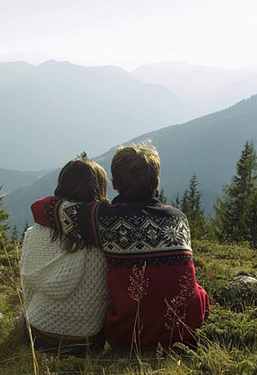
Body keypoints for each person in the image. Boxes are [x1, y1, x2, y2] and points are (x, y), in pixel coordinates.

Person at [31, 144, 209, 354]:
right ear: (156, 182)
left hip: (129, 340)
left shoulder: (105, 219)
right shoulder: (178, 218)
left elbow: (40, 207)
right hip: (184, 336)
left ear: (115, 184)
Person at [20, 158, 110, 356]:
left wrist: (28, 313)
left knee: (23, 316)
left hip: (39, 336)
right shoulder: (104, 237)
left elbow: (27, 284)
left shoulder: (35, 233)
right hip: (87, 343)